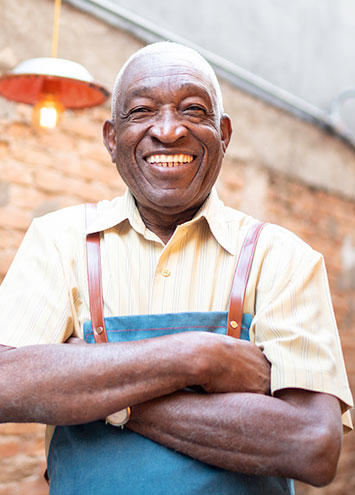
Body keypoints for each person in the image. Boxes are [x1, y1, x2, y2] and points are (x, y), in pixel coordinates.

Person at [0, 42, 353, 494]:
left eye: (192, 109)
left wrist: (89, 384)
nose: (168, 131)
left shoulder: (282, 258)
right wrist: (196, 357)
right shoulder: (60, 240)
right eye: (143, 111)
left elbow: (311, 445)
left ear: (223, 134)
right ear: (112, 138)